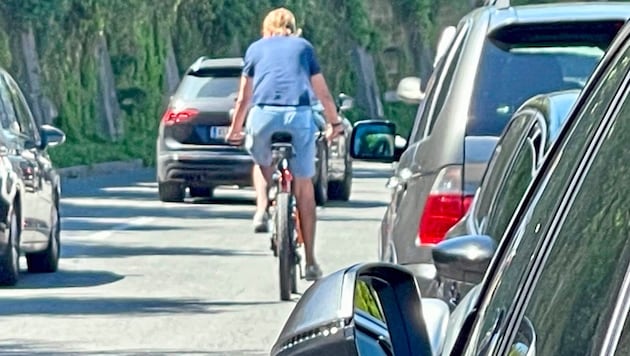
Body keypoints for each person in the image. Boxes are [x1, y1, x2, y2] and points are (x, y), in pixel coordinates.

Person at [226, 7, 344, 281]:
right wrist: (334, 123)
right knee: (304, 186)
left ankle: (260, 210)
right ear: (294, 28)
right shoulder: (304, 48)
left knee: (261, 163)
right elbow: (322, 93)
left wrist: (235, 130)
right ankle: (312, 261)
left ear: (265, 29)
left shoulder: (256, 49)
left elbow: (244, 97)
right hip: (298, 116)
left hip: (263, 115)